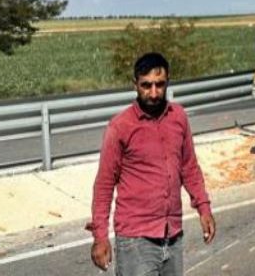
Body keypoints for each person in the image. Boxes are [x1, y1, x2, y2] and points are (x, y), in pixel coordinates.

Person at [87, 52, 216, 274]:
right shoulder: (120, 126)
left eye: (159, 85)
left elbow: (189, 167)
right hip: (135, 239)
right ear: (135, 84)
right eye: (146, 85)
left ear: (168, 83)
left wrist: (204, 208)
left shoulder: (179, 117)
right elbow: (104, 185)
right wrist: (100, 236)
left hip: (172, 234)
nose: (154, 93)